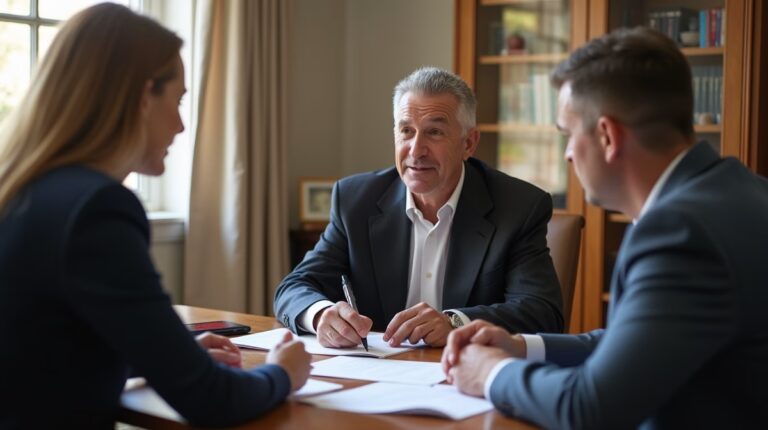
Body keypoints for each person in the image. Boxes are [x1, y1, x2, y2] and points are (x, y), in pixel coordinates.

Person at [0, 4, 311, 428]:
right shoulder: (98, 210)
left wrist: (167, 355)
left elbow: (43, 355)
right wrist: (282, 373)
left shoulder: (22, 191)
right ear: (143, 97)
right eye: (178, 100)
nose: (182, 126)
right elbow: (211, 400)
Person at [441, 27, 768, 429]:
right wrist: (521, 346)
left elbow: (590, 408)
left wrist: (491, 373)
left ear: (608, 136)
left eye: (568, 134)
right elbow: (638, 345)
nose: (566, 155)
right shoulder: (743, 189)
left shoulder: (679, 232)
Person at [275, 67, 563, 349]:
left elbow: (542, 313)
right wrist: (321, 314)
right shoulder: (356, 200)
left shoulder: (519, 207)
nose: (415, 150)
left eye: (434, 132)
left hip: (469, 376)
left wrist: (456, 323)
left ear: (469, 143)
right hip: (376, 375)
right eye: (406, 131)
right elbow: (295, 287)